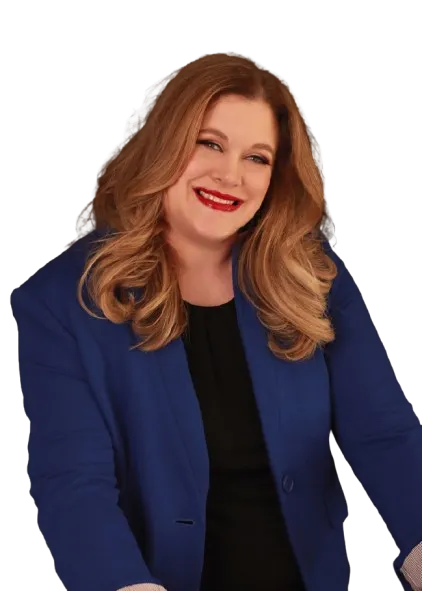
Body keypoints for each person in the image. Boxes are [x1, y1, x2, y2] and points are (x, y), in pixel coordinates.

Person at [12, 52, 421, 591]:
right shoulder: (63, 300)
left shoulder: (313, 276)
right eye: (210, 144)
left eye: (257, 157)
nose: (231, 176)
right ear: (163, 144)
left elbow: (385, 435)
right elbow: (74, 484)